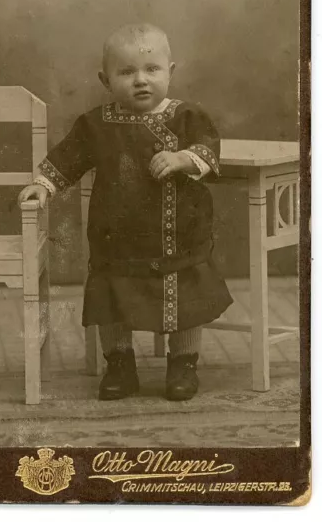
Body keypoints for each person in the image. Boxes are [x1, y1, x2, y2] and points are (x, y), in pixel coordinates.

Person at [18, 23, 233, 402]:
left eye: (151, 70)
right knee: (113, 297)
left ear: (171, 71)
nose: (140, 81)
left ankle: (183, 363)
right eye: (126, 72)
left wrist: (184, 157)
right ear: (105, 79)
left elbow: (209, 150)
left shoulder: (186, 118)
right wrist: (44, 183)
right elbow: (68, 157)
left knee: (183, 298)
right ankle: (120, 363)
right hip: (117, 239)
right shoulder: (96, 124)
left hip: (178, 237)